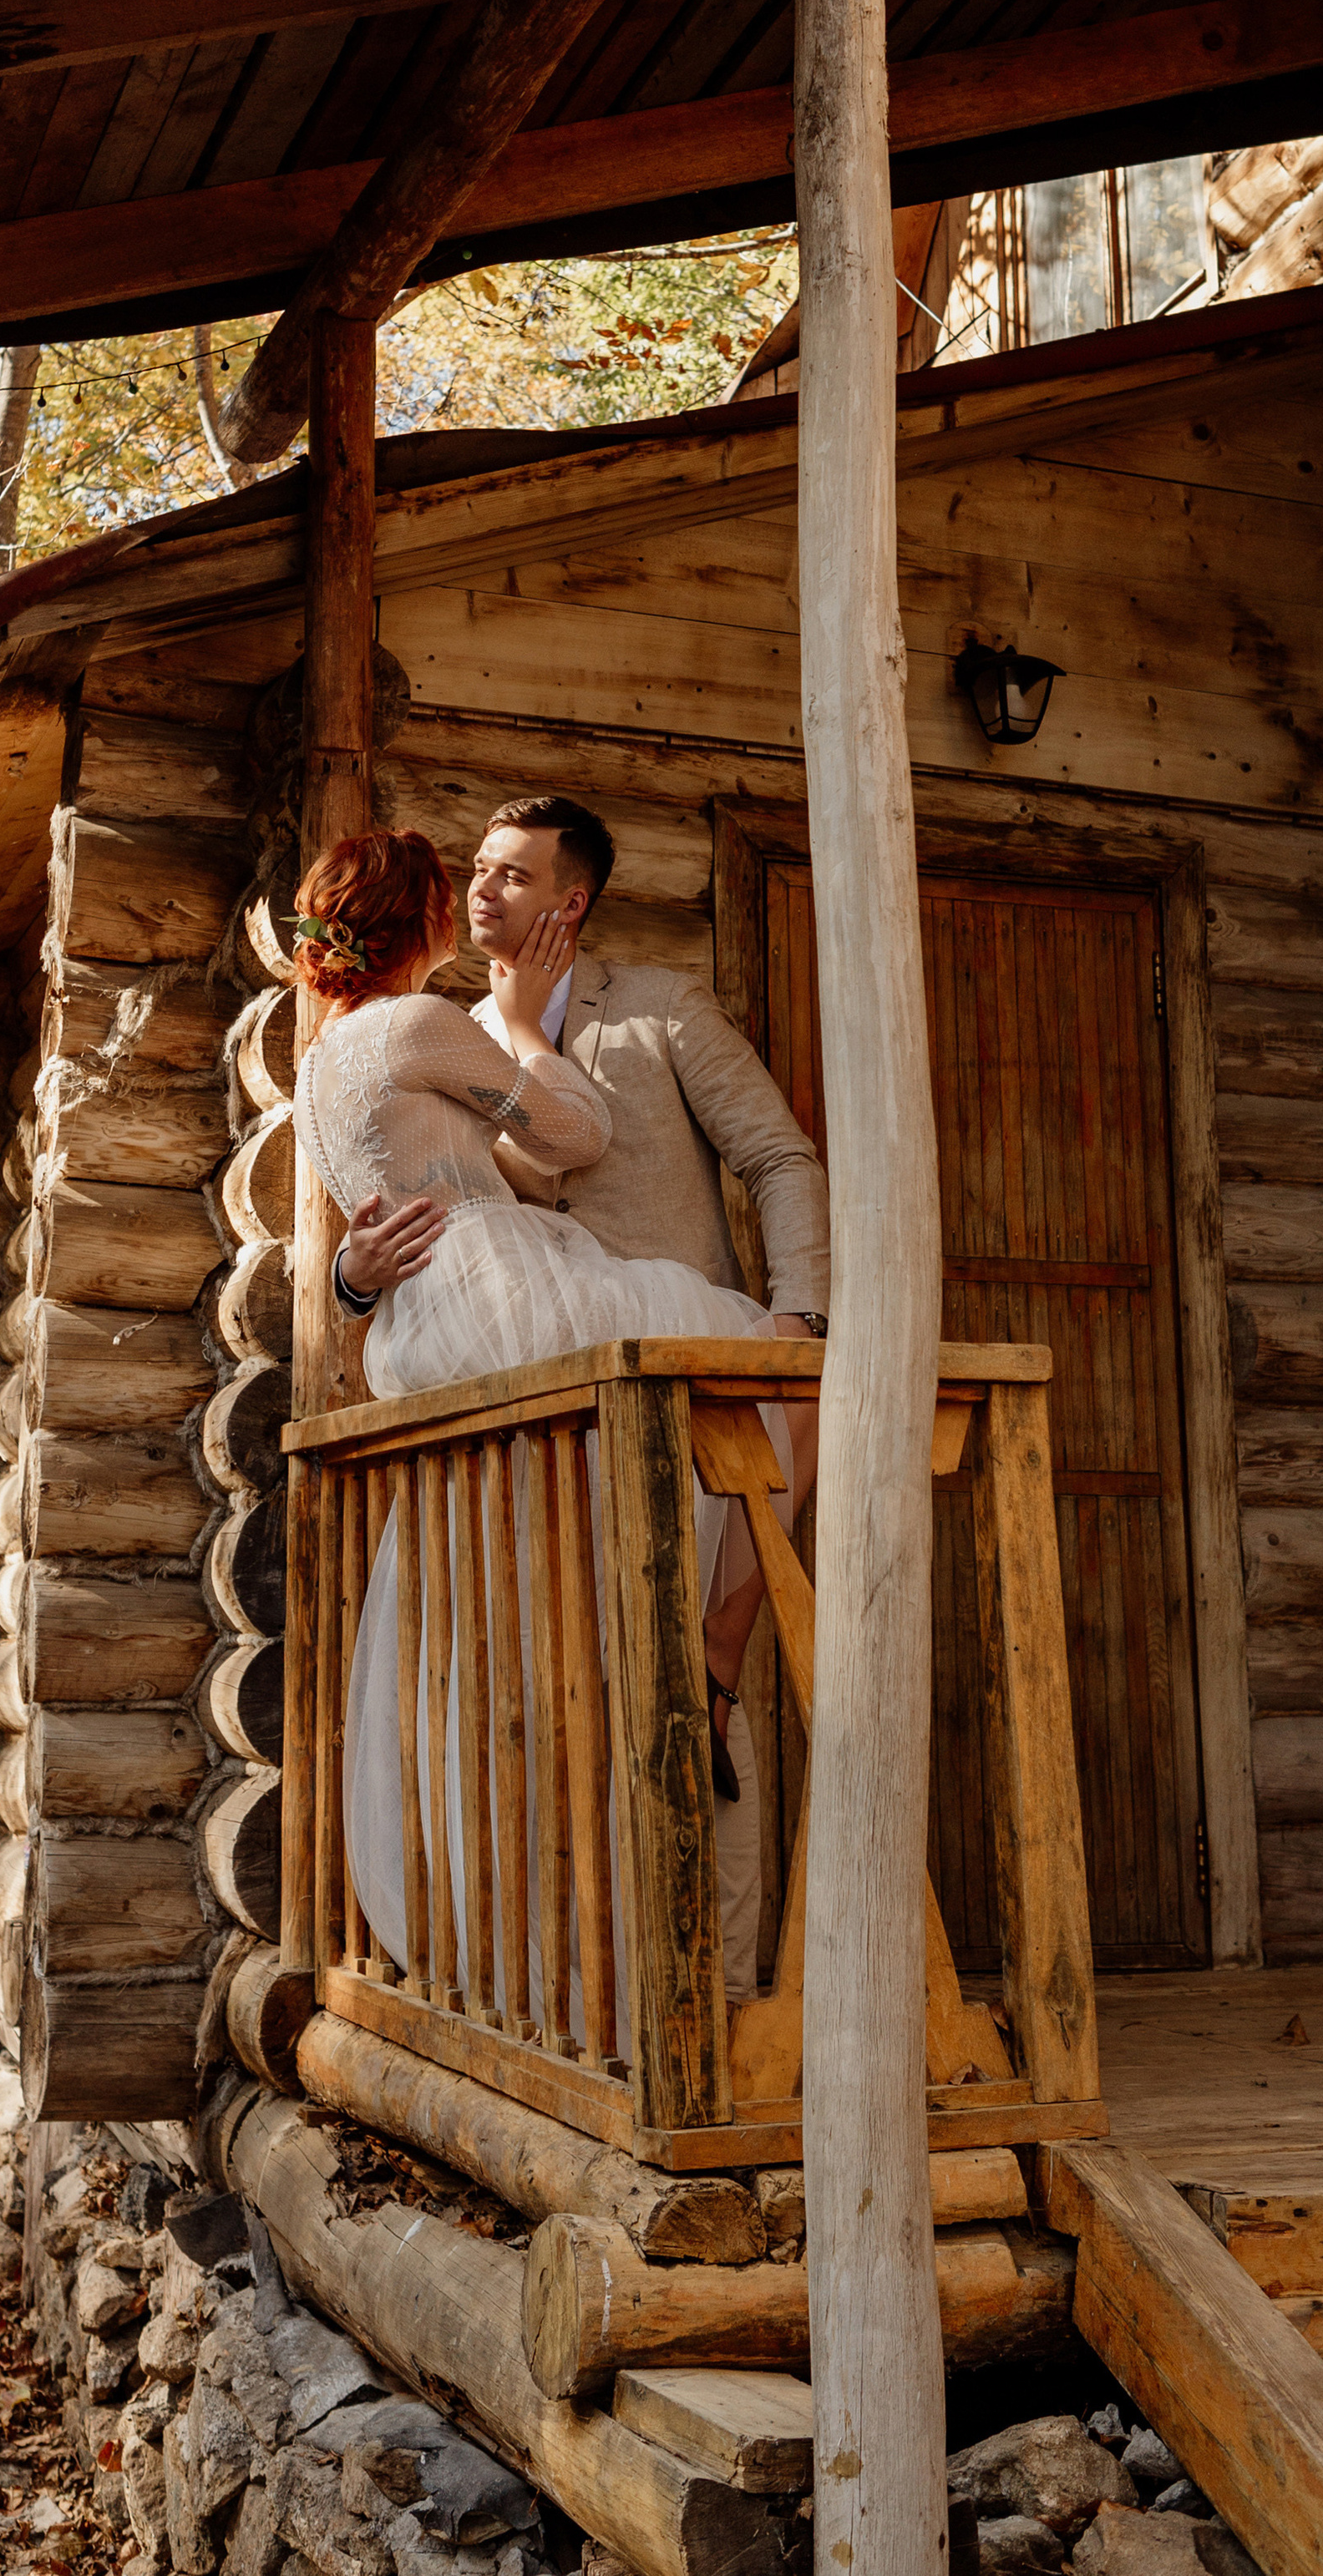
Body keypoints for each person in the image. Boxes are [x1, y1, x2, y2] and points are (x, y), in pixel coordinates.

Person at [291, 826, 798, 2035]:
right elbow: (578, 1138)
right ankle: (585, 1979)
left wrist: (360, 1280)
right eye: (463, 883)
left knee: (506, 1648)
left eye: (509, 876)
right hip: (512, 1302)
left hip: (431, 1326)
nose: (481, 897)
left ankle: (572, 1955)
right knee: (786, 1370)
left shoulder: (317, 1068)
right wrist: (517, 1019)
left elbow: (394, 1212)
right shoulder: (428, 1024)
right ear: (418, 924)